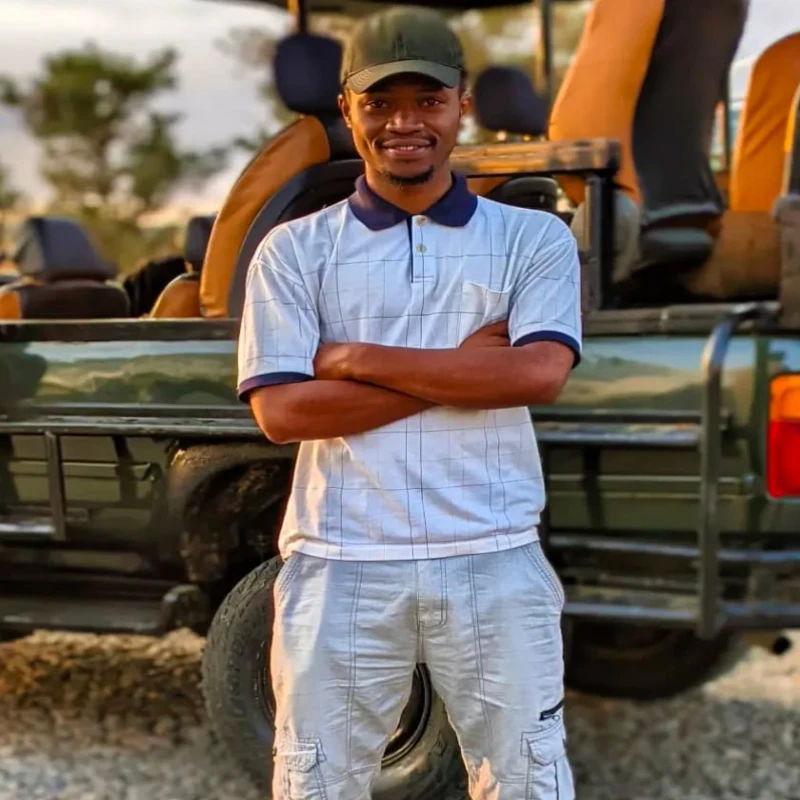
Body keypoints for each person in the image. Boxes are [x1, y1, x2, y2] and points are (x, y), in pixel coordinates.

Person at [237, 7, 580, 799]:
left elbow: (537, 376)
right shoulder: (295, 250)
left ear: (463, 105)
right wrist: (467, 368)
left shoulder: (532, 240)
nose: (404, 123)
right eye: (380, 103)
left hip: (494, 555)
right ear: (347, 109)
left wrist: (351, 360)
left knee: (527, 780)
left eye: (427, 100)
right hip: (341, 560)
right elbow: (283, 414)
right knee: (317, 783)